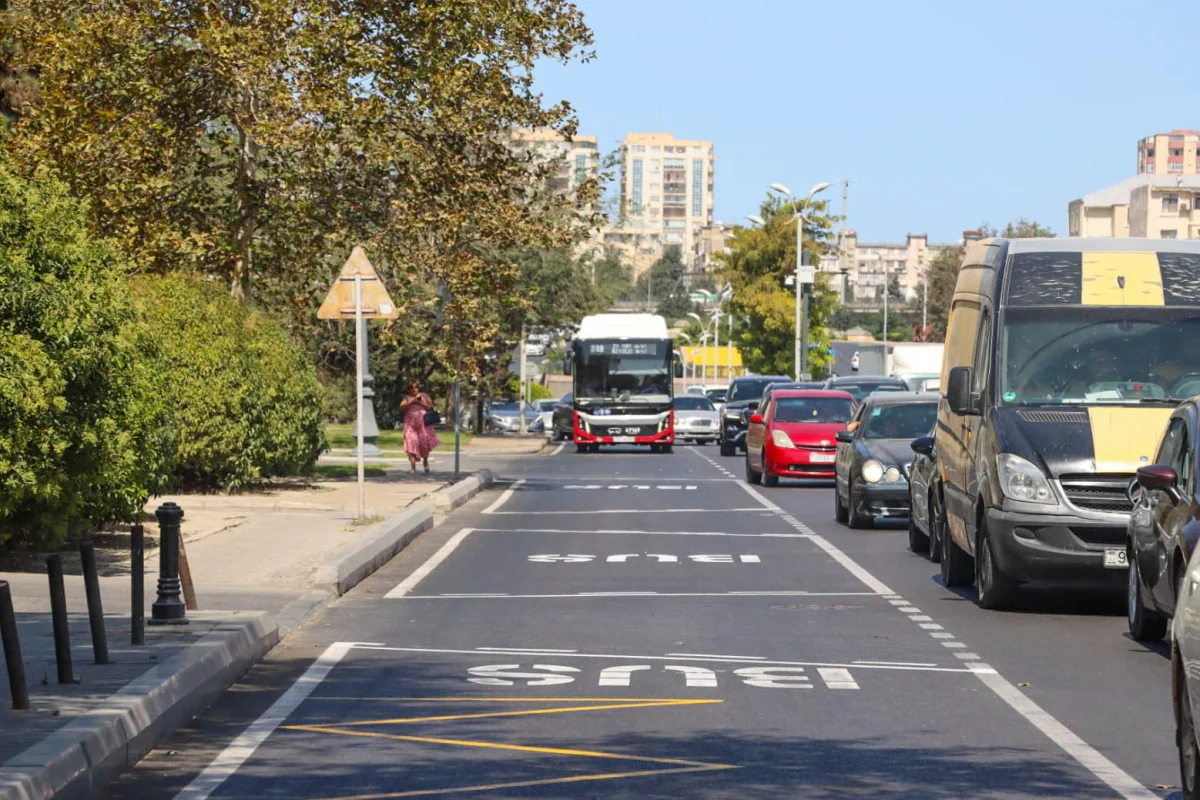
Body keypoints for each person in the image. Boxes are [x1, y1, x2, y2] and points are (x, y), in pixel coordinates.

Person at [400, 381, 442, 473]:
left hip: (423, 425)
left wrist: (420, 403)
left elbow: (430, 407)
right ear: (409, 389)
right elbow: (402, 407)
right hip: (410, 426)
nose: (414, 389)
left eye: (416, 387)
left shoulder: (423, 395)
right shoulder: (407, 398)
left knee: (424, 445)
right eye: (411, 387)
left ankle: (425, 462)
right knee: (410, 444)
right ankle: (413, 467)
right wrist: (412, 403)